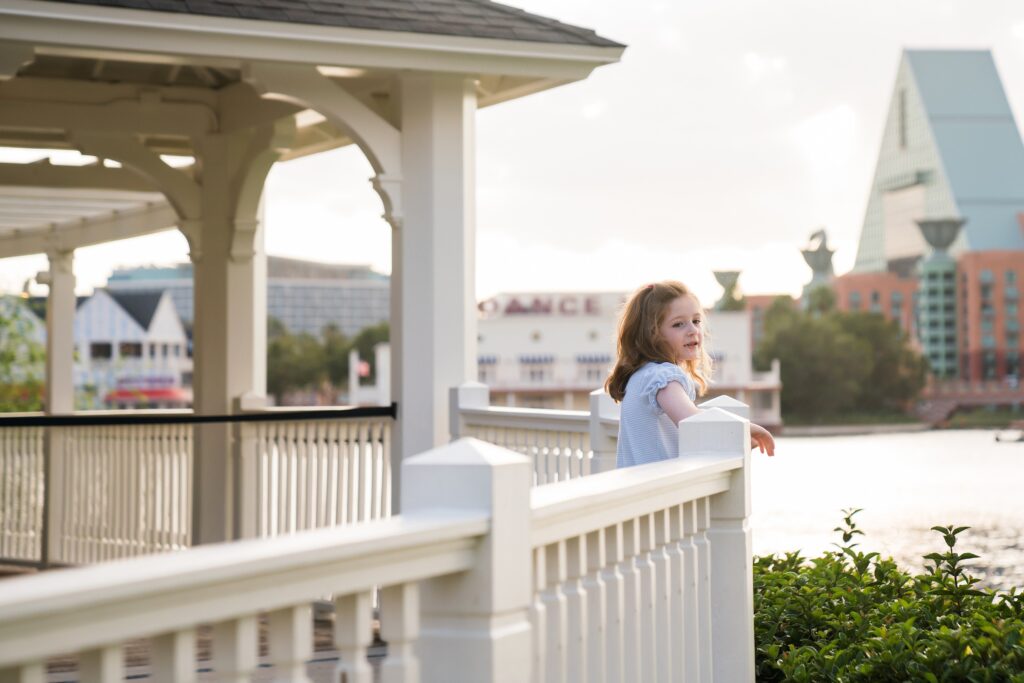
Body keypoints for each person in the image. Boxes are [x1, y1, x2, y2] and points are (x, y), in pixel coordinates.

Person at [606, 280, 775, 468]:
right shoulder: (663, 378)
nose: (692, 330)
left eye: (696, 321)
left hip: (638, 489)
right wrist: (743, 429)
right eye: (678, 324)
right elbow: (693, 422)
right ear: (652, 334)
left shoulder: (641, 375)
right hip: (661, 490)